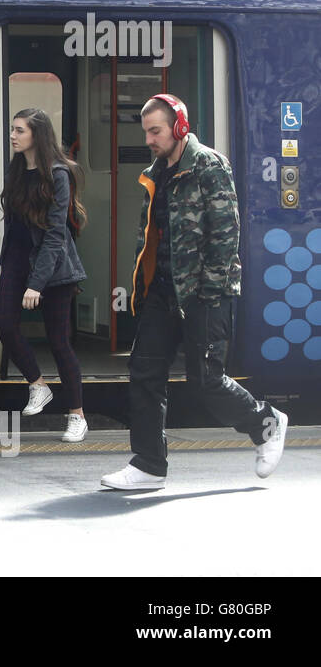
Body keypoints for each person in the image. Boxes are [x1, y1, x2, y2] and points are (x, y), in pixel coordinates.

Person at [101, 94, 288, 490]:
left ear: (179, 127)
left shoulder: (208, 165)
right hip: (161, 291)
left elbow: (226, 235)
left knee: (206, 379)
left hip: (204, 294)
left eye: (156, 131)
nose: (149, 139)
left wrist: (210, 289)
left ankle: (266, 423)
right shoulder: (155, 170)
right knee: (144, 372)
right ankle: (149, 466)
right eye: (146, 132)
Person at [0, 108, 90, 442]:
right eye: (12, 130)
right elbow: (14, 226)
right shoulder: (17, 169)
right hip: (17, 261)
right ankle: (38, 384)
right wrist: (3, 266)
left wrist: (36, 283)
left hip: (53, 267)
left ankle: (76, 415)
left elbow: (55, 235)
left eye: (19, 130)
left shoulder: (58, 174)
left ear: (37, 135)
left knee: (58, 340)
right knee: (5, 325)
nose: (13, 136)